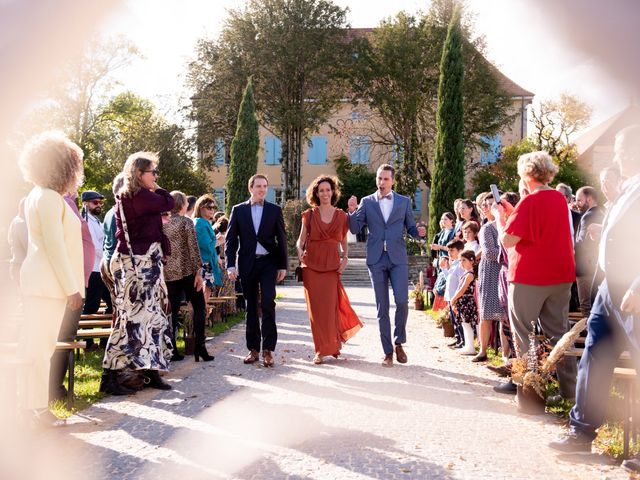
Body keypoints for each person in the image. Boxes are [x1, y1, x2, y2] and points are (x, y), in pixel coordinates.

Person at [549, 126, 640, 468]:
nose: (616, 157)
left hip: (632, 289)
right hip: (608, 290)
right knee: (594, 356)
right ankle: (582, 432)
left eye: (619, 150)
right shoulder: (628, 187)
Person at [493, 151, 577, 397]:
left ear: (526, 174)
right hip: (560, 275)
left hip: (530, 276)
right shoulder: (559, 199)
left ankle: (529, 389)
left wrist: (500, 219)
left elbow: (508, 240)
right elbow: (536, 228)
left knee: (523, 334)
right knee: (559, 335)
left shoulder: (528, 202)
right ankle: (568, 391)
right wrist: (513, 212)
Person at [18, 131, 85, 427]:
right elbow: (55, 248)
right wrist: (73, 289)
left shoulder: (44, 196)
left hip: (46, 285)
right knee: (38, 351)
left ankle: (32, 409)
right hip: (47, 286)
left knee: (39, 350)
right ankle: (33, 410)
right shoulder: (47, 198)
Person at [102, 152, 175, 394]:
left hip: (144, 267)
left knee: (151, 320)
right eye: (152, 172)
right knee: (131, 322)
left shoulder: (131, 196)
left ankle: (149, 372)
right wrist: (157, 188)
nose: (155, 176)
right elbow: (170, 202)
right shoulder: (140, 197)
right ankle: (111, 377)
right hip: (140, 268)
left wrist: (152, 185)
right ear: (138, 174)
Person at [347, 164, 426, 367]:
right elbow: (355, 228)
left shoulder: (403, 202)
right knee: (382, 308)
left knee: (401, 301)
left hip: (397, 258)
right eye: (379, 179)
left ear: (392, 181)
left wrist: (419, 232)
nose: (381, 183)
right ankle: (388, 352)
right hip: (376, 259)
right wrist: (352, 211)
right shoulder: (367, 202)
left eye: (385, 179)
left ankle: (399, 341)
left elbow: (410, 228)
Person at [296, 175, 363, 364]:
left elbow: (343, 241)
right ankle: (320, 350)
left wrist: (345, 258)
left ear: (333, 192)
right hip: (311, 266)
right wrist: (299, 250)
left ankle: (332, 345)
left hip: (332, 266)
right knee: (316, 311)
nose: (325, 193)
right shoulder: (309, 215)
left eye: (328, 190)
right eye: (321, 190)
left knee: (331, 308)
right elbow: (300, 240)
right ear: (316, 193)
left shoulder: (341, 216)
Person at [225, 174, 288, 367]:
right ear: (250, 188)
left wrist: (283, 265)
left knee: (268, 302)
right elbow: (230, 240)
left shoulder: (274, 210)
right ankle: (253, 349)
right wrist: (230, 265)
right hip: (247, 263)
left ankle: (268, 349)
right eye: (258, 186)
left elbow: (282, 239)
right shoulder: (238, 210)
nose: (262, 189)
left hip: (268, 262)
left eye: (265, 186)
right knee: (251, 306)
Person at [48, 191, 93, 403]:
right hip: (69, 284)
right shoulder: (62, 202)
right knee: (63, 337)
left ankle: (55, 388)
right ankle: (54, 389)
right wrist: (71, 287)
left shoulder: (68, 203)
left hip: (76, 282)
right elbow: (59, 245)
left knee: (65, 336)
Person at [163, 191, 213, 362]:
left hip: (168, 273)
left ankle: (172, 350)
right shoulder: (186, 222)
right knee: (199, 307)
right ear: (183, 205)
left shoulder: (163, 222)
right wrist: (198, 272)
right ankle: (200, 347)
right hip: (187, 272)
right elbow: (194, 248)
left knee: (172, 311)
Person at [473, 193, 508, 363]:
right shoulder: (487, 228)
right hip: (489, 271)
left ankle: (505, 354)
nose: (488, 208)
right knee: (486, 314)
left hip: (505, 271)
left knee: (504, 315)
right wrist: (509, 252)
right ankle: (482, 350)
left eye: (491, 204)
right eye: (485, 205)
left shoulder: (507, 225)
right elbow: (489, 253)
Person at [81, 189, 112, 349]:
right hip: (94, 269)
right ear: (86, 204)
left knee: (111, 302)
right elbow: (94, 246)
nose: (99, 205)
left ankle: (105, 340)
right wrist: (108, 257)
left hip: (101, 269)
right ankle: (87, 342)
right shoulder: (85, 220)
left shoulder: (96, 221)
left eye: (100, 202)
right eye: (95, 202)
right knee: (92, 305)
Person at [573, 186, 604, 318]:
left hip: (585, 269)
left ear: (589, 199)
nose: (577, 204)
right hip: (597, 267)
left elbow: (582, 244)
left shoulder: (588, 216)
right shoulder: (603, 213)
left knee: (586, 308)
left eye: (579, 200)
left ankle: (590, 337)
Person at [193, 195, 222, 304]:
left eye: (213, 207)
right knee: (203, 293)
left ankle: (200, 317)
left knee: (203, 293)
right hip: (204, 264)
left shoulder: (201, 222)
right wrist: (219, 241)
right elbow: (205, 245)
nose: (212, 210)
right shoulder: (201, 223)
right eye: (209, 207)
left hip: (204, 263)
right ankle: (200, 318)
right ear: (200, 208)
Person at [450, 250, 479, 355]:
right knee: (464, 324)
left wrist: (453, 299)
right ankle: (468, 345)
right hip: (463, 302)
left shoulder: (470, 274)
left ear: (471, 261)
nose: (461, 263)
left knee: (467, 324)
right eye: (460, 260)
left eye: (464, 260)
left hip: (467, 302)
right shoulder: (466, 273)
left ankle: (470, 347)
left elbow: (462, 289)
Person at [8, 198, 28, 282]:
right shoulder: (22, 223)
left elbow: (9, 240)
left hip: (16, 265)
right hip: (21, 266)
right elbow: (28, 247)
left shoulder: (15, 220)